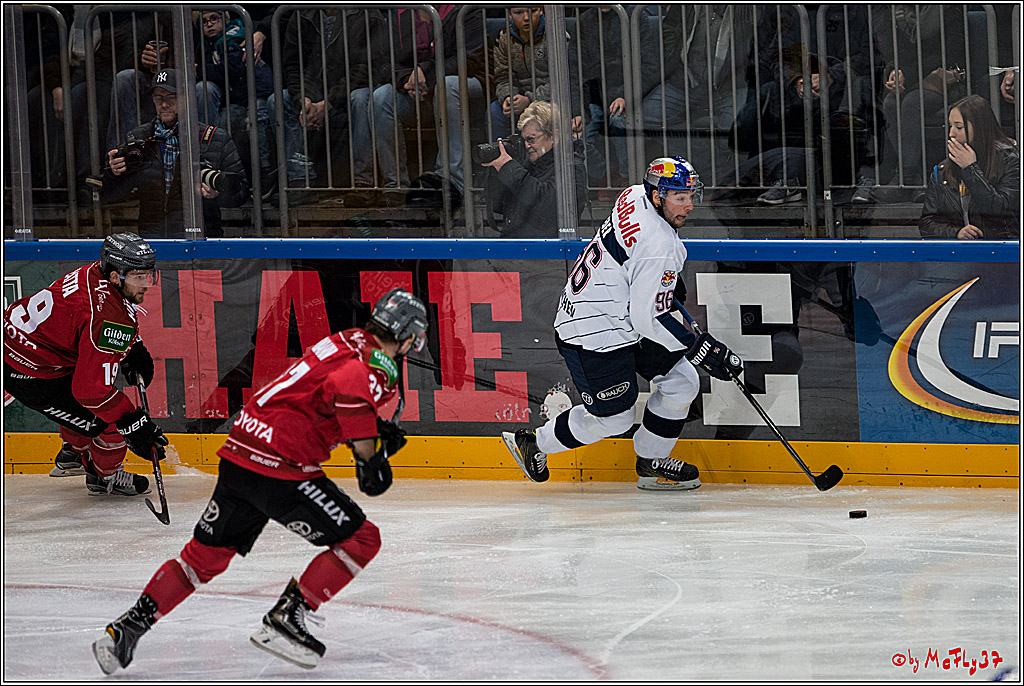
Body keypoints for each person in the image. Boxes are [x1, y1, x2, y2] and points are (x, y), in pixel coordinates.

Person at [91, 288, 429, 674]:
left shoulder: (347, 339)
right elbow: (348, 387)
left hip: (240, 455)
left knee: (202, 559)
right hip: (278, 467)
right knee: (362, 539)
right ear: (406, 334)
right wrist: (369, 456)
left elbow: (323, 392)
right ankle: (288, 617)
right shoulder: (372, 362)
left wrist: (369, 426)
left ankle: (127, 629)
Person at [501, 157, 744, 490]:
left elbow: (630, 263)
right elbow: (650, 318)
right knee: (616, 418)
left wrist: (662, 286)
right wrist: (698, 348)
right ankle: (534, 443)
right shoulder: (660, 246)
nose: (688, 206)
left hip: (621, 315)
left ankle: (651, 459)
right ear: (657, 195)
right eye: (679, 197)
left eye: (691, 196)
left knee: (682, 382)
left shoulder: (633, 194)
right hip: (592, 331)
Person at [3, 233, 167, 495]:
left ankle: (72, 452)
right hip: (29, 371)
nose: (148, 283)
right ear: (116, 277)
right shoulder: (108, 316)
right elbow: (90, 392)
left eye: (150, 274)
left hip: (24, 348)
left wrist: (132, 345)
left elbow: (86, 321)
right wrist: (132, 421)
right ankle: (103, 477)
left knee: (87, 386)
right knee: (110, 418)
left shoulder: (93, 272)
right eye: (139, 276)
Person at [103, 69, 249, 238]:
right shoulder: (138, 137)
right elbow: (112, 195)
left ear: (187, 98)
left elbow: (241, 193)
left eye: (171, 97)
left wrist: (218, 194)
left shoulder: (215, 138)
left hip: (202, 241)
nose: (164, 105)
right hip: (154, 241)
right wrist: (113, 173)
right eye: (159, 98)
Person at [273, 9, 387, 199]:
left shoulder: (367, 14)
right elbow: (293, 65)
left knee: (360, 99)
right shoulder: (302, 15)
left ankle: (364, 181)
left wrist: (328, 104)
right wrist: (304, 99)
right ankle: (299, 181)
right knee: (277, 100)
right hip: (314, 93)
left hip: (350, 90)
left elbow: (366, 69)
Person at [194, 10, 276, 197]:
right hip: (238, 98)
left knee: (255, 121)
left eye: (214, 18)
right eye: (204, 21)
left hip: (259, 93)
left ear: (226, 20)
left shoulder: (235, 38)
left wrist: (200, 72)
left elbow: (231, 69)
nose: (209, 24)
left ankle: (266, 172)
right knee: (223, 123)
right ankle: (232, 175)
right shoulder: (207, 45)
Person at [481, 101, 588, 237]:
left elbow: (547, 205)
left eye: (531, 139)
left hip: (548, 253)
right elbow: (498, 206)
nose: (527, 146)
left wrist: (509, 168)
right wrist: (497, 170)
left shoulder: (571, 166)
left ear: (553, 136)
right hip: (516, 249)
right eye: (524, 140)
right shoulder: (529, 164)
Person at [919, 95, 1020, 239]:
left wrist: (970, 169)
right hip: (958, 254)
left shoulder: (1010, 162)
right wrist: (956, 233)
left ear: (980, 128)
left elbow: (1001, 211)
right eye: (950, 126)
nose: (951, 134)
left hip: (1002, 250)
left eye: (959, 127)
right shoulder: (942, 171)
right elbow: (927, 224)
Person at [490, 7, 548, 141]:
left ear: (541, 10)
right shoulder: (504, 38)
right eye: (518, 13)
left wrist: (530, 99)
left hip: (549, 98)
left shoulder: (555, 34)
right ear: (510, 15)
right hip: (518, 96)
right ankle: (499, 158)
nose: (526, 18)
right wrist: (509, 96)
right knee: (495, 111)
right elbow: (502, 76)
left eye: (532, 11)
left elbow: (560, 80)